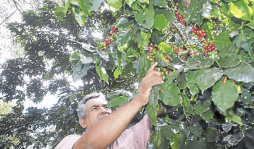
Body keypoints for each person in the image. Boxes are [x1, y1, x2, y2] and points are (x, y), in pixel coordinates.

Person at [55, 62, 163, 149]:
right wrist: (139, 100)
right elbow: (88, 145)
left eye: (106, 107)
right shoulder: (70, 141)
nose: (104, 110)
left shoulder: (131, 137)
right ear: (83, 122)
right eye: (95, 108)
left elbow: (157, 114)